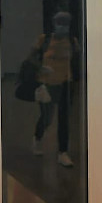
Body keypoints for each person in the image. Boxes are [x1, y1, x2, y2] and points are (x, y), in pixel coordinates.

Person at [31, 11, 79, 168]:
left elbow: (77, 61)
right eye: (60, 22)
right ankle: (37, 138)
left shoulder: (72, 41)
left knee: (64, 119)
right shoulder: (44, 40)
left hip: (65, 84)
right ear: (54, 23)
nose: (62, 26)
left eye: (65, 23)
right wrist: (41, 68)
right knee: (47, 117)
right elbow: (31, 59)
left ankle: (63, 153)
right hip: (47, 84)